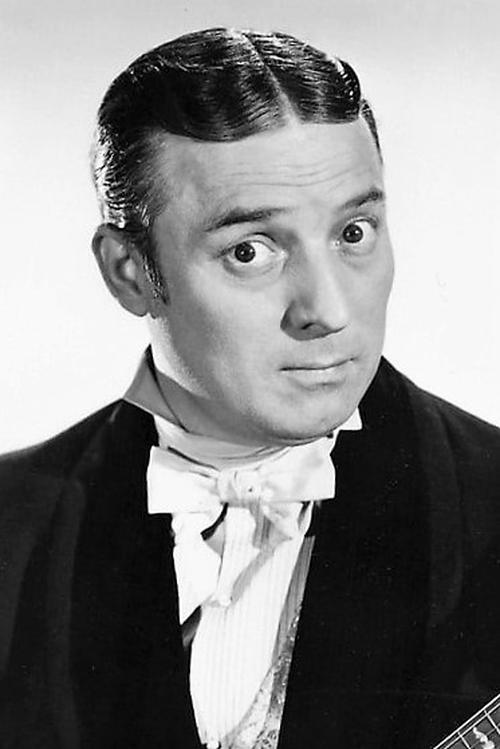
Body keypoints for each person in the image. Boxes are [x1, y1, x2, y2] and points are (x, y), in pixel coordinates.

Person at [0, 27, 499, 749]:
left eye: (354, 233)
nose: (327, 309)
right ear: (128, 272)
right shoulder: (13, 522)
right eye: (249, 250)